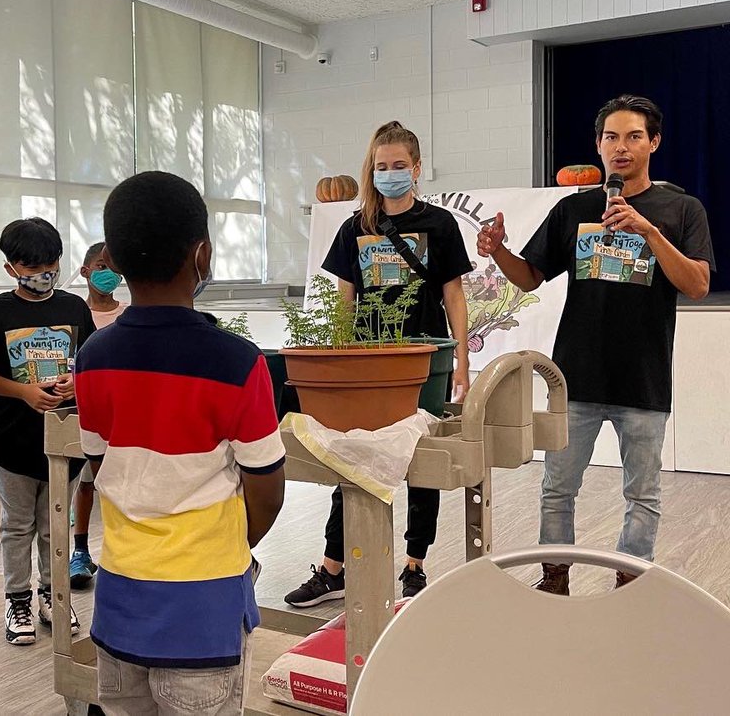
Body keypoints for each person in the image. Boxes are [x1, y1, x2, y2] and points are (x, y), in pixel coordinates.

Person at [477, 94, 713, 593]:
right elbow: (529, 278)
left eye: (633, 136)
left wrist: (648, 231)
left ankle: (630, 586)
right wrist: (498, 251)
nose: (621, 147)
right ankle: (554, 581)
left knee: (642, 495)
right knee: (557, 490)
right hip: (575, 377)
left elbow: (695, 284)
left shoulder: (681, 209)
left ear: (654, 142)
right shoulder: (575, 208)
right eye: (611, 137)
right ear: (598, 145)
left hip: (644, 378)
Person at [74, 171, 286, 716]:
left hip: (120, 598)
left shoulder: (94, 356)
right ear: (203, 255)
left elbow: (100, 464)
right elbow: (268, 492)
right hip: (203, 611)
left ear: (113, 262)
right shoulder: (238, 362)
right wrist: (228, 547)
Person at [285, 121, 473, 607]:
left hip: (425, 358)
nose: (390, 174)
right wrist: (339, 354)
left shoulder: (441, 225)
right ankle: (334, 566)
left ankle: (415, 563)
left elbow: (454, 294)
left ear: (416, 168)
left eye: (398, 166)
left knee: (421, 461)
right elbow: (344, 299)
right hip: (368, 361)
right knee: (351, 455)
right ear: (371, 170)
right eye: (381, 166)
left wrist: (462, 360)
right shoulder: (356, 228)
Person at [0, 217, 94, 645]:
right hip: (15, 440)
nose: (43, 272)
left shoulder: (74, 309)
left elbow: (89, 362)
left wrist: (77, 382)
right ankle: (16, 598)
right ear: (10, 269)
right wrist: (22, 392)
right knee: (16, 525)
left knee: (54, 524)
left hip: (65, 439)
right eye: (31, 265)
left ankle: (53, 595)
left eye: (51, 262)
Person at [69, 241, 127, 589]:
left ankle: (117, 550)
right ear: (85, 271)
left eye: (113, 268)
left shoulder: (127, 314)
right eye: (101, 267)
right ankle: (79, 549)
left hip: (119, 409)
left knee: (114, 482)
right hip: (83, 408)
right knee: (85, 481)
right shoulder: (75, 313)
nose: (108, 275)